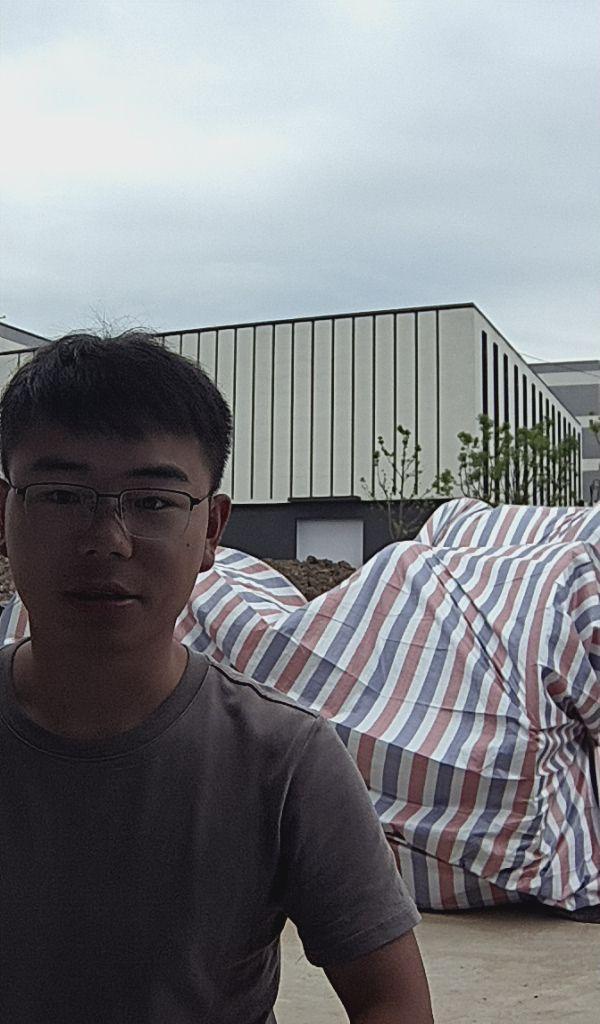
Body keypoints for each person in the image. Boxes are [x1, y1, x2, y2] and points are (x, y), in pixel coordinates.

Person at [0, 331, 433, 1024]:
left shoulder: (284, 760)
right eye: (61, 496)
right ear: (4, 513)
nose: (107, 539)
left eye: (153, 502)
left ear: (211, 531)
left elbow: (390, 998)